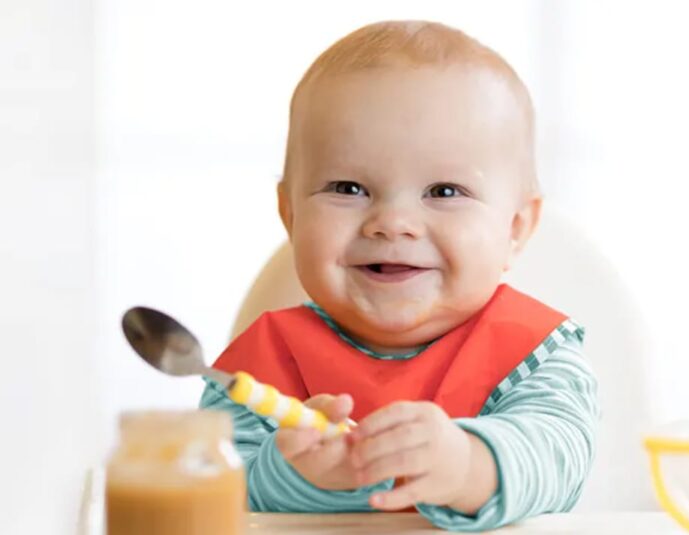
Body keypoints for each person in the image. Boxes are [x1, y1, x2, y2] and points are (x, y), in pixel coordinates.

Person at [201, 20, 598, 531]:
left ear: (515, 228)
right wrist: (299, 478)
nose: (392, 222)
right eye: (348, 188)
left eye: (445, 191)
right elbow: (214, 488)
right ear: (290, 214)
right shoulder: (258, 367)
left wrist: (467, 466)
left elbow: (557, 459)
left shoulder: (535, 355)